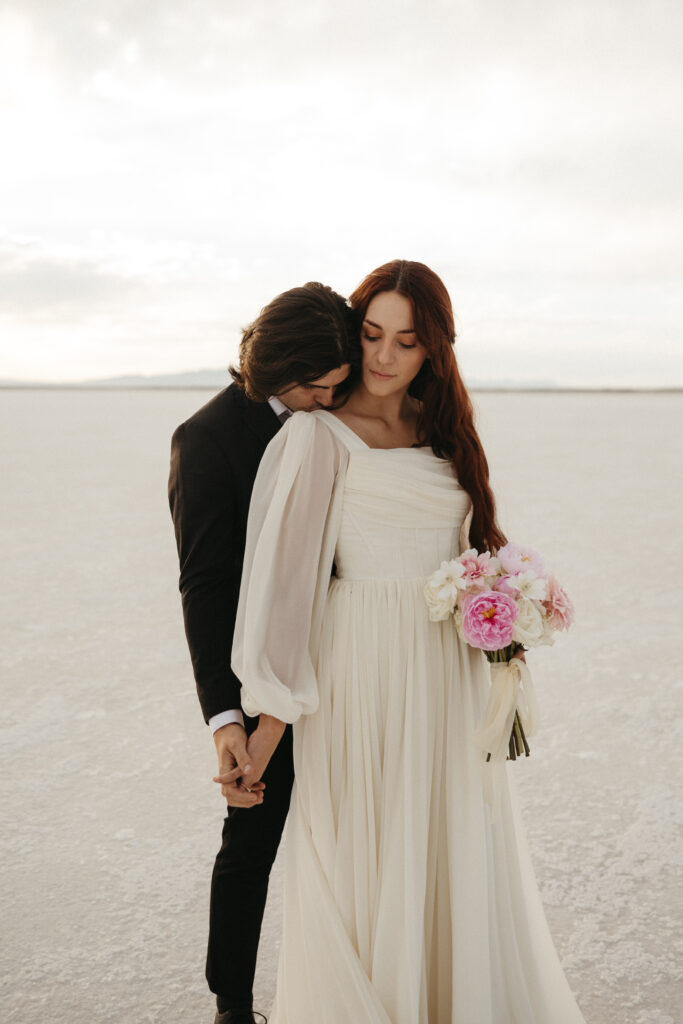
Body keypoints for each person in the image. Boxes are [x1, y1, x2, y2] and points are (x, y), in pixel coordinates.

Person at [224, 260, 586, 1023]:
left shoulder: (441, 430)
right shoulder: (315, 437)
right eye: (372, 335)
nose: (385, 357)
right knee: (366, 861)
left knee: (450, 852)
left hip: (445, 677)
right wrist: (267, 726)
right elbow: (286, 590)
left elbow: (464, 551)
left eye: (407, 341)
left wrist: (505, 618)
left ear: (433, 350)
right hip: (358, 671)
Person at [168, 281, 355, 1024]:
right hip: (266, 670)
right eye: (315, 386)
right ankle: (233, 1006)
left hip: (356, 653)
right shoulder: (208, 440)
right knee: (250, 842)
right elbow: (205, 586)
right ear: (273, 368)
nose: (329, 399)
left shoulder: (345, 410)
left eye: (338, 385)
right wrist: (225, 718)